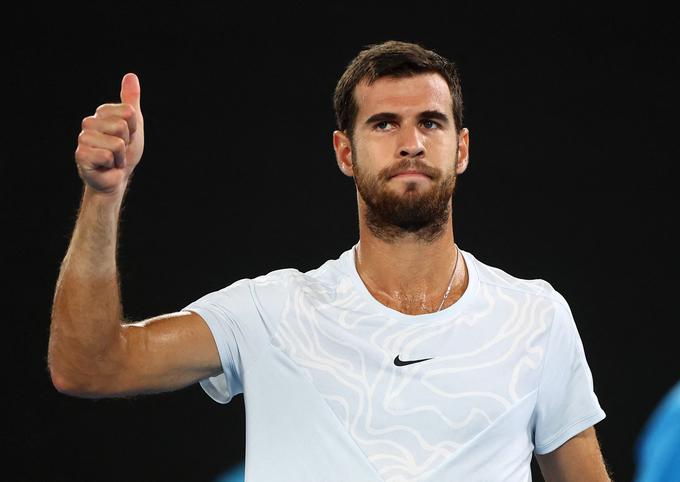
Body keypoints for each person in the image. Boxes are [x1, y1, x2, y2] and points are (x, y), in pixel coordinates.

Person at [49, 40, 611, 481]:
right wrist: (103, 197)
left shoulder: (536, 315)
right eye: (384, 123)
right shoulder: (269, 312)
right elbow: (90, 366)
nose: (410, 142)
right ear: (345, 151)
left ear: (461, 148)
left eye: (431, 122)